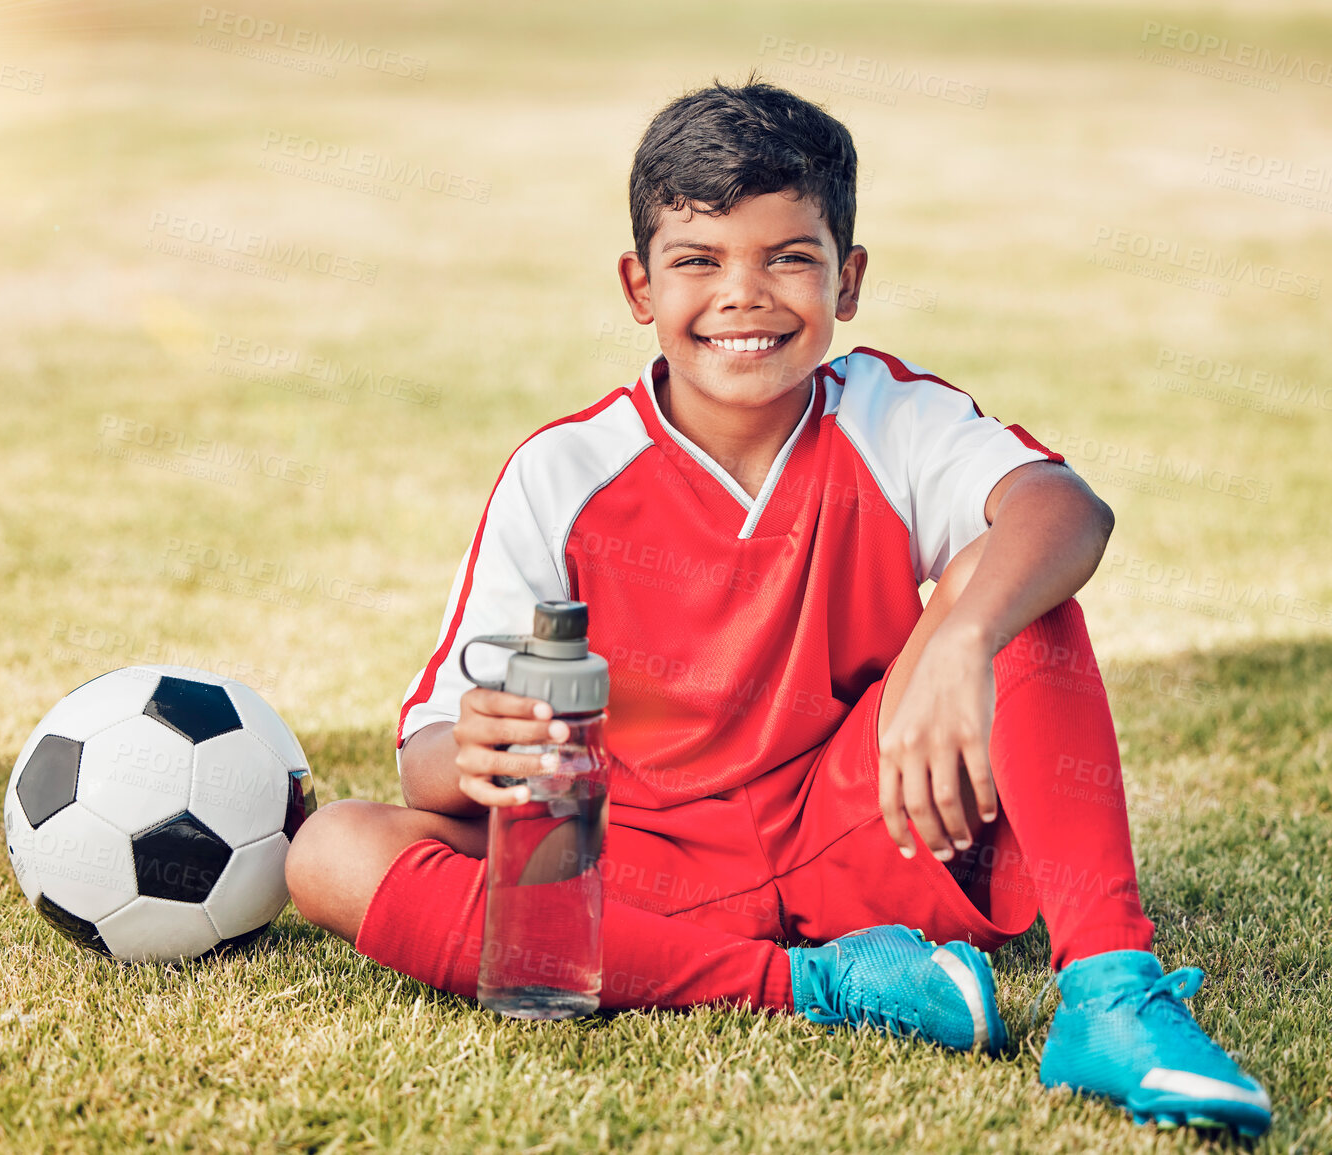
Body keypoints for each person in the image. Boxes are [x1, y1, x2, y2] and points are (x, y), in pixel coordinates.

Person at [286, 80, 1272, 1137]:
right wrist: (477, 751)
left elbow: (1067, 511)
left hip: (870, 834)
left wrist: (964, 633)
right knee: (331, 850)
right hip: (638, 863)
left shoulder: (890, 417)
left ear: (848, 280)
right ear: (638, 285)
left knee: (1019, 582)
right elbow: (428, 755)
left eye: (787, 257)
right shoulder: (563, 471)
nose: (743, 297)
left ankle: (1113, 1001)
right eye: (699, 261)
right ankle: (815, 986)